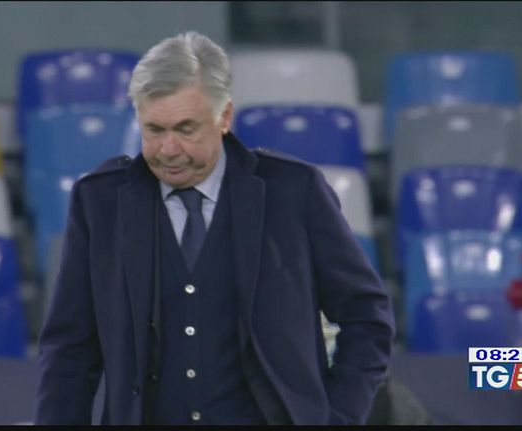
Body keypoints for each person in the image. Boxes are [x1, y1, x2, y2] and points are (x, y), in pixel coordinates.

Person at [35, 30, 395, 425]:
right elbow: (70, 348)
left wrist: (338, 418)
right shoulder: (99, 201)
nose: (168, 150)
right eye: (154, 130)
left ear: (224, 117)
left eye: (185, 129)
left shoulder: (294, 192)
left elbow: (367, 316)